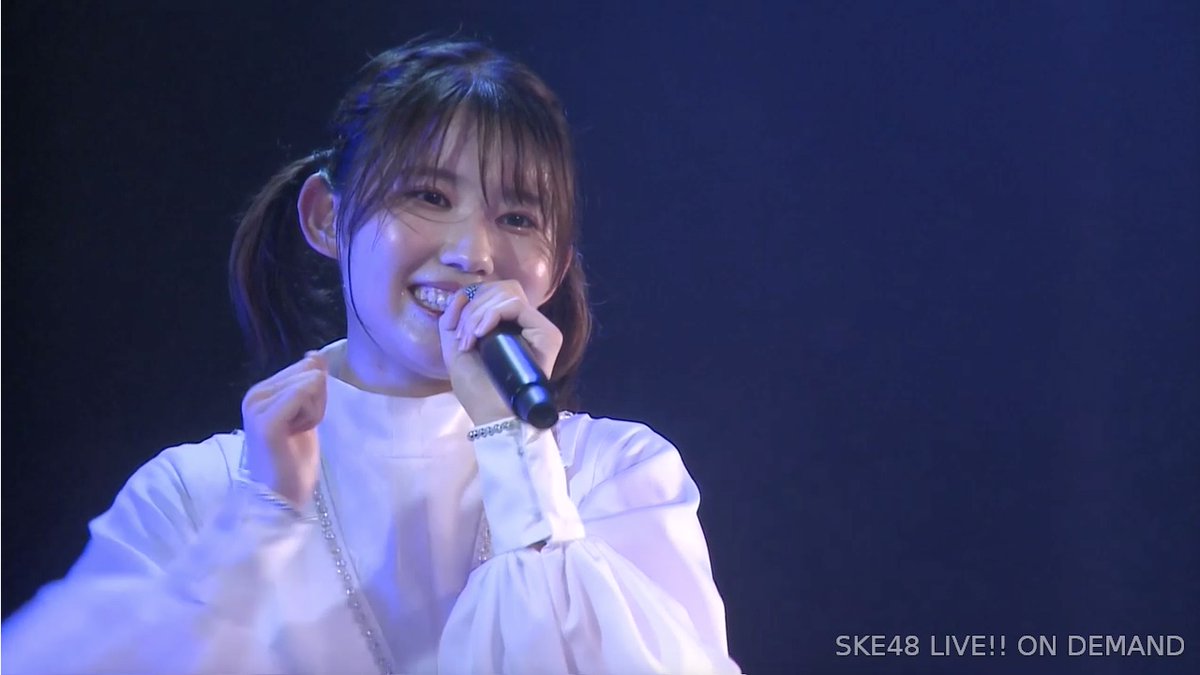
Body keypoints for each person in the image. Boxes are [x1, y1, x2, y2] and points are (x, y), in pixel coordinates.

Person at [1, 38, 740, 674]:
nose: (472, 253)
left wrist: (518, 456)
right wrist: (253, 531)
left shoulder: (618, 478)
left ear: (555, 269)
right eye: (428, 196)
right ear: (328, 217)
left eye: (517, 216)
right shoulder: (198, 493)